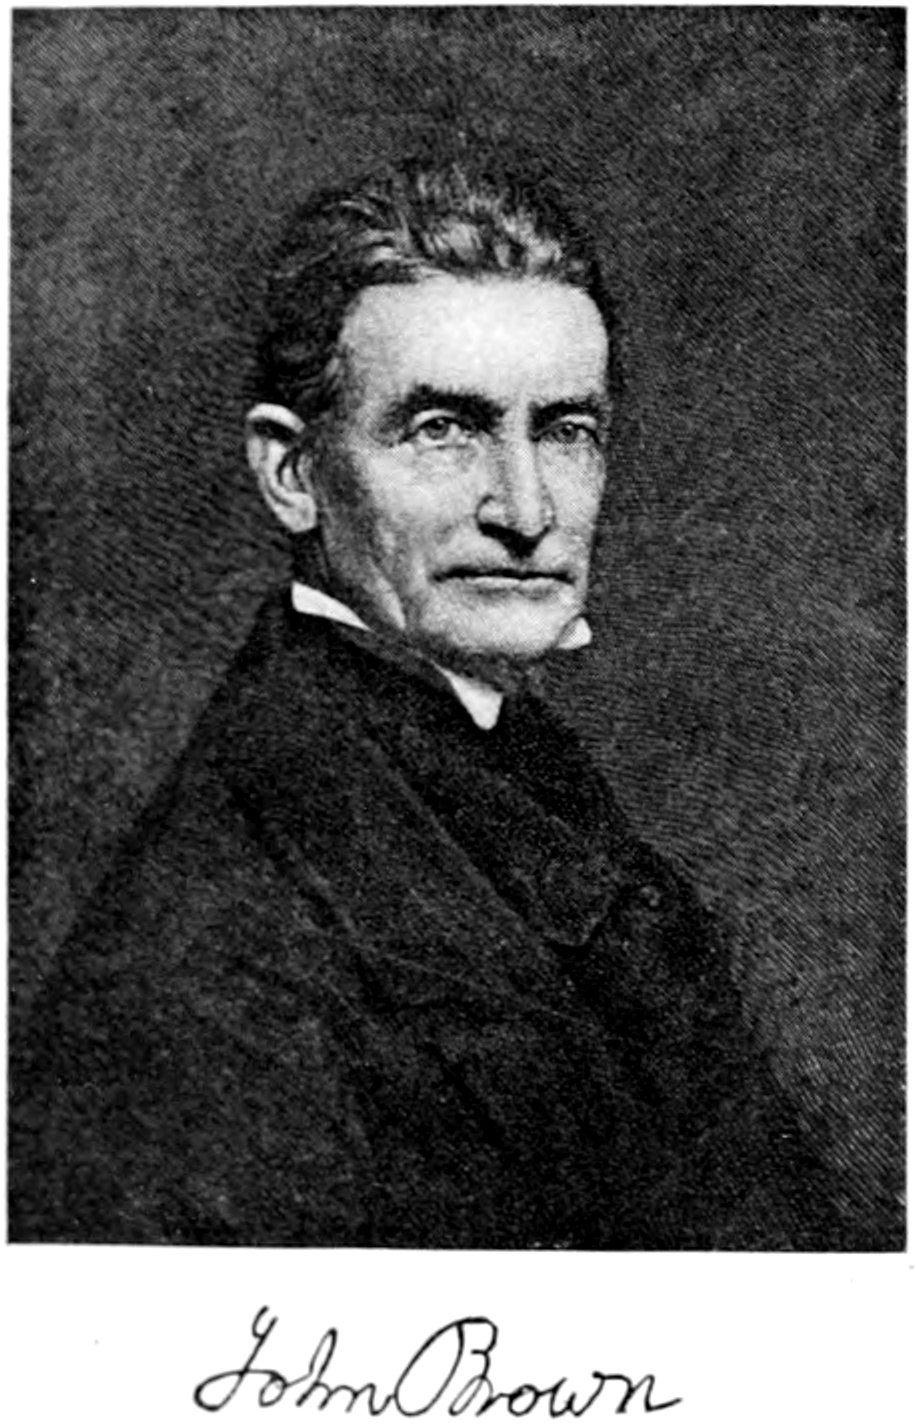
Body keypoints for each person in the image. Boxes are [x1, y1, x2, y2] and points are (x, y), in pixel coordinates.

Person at [9, 157, 851, 1248]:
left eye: (565, 430)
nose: (525, 511)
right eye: (443, 429)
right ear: (292, 473)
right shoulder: (216, 936)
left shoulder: (508, 772)